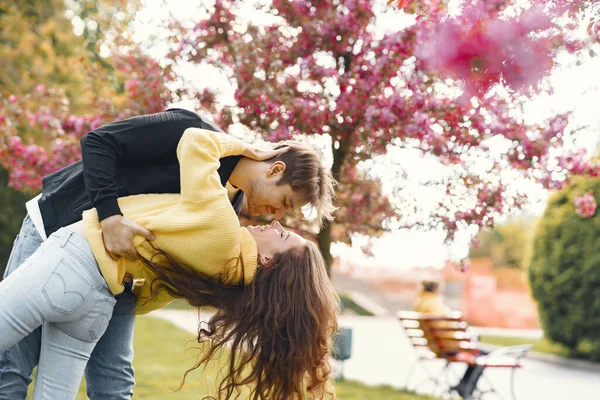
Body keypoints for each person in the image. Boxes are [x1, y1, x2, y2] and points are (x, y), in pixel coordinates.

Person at [0, 108, 336, 400]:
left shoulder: (229, 212)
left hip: (110, 278)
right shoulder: (190, 127)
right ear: (275, 170)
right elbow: (98, 143)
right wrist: (110, 216)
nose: (276, 216)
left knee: (114, 380)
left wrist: (137, 285)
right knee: (13, 369)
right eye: (286, 202)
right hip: (60, 225)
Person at [414, 281, 485, 400]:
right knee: (481, 355)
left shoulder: (420, 303)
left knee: (479, 354)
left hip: (434, 345)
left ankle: (464, 386)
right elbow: (447, 327)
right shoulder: (435, 304)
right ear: (436, 289)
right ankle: (466, 389)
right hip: (447, 346)